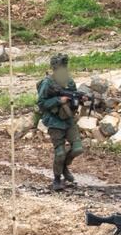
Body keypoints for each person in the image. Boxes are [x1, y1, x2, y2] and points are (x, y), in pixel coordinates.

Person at [37, 54, 86, 192]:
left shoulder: (69, 81)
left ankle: (63, 166)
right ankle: (57, 179)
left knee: (78, 149)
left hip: (68, 119)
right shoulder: (48, 83)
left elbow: (74, 97)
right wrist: (58, 100)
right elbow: (41, 103)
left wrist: (81, 99)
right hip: (54, 121)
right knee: (60, 153)